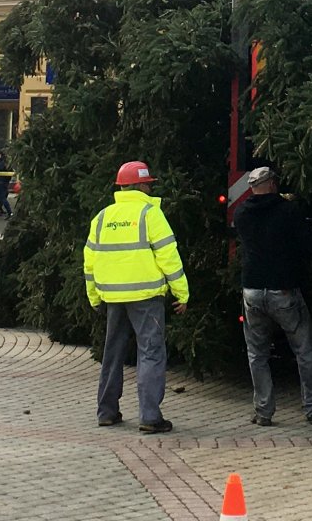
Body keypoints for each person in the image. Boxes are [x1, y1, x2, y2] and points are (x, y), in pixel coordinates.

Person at [83, 159, 189, 434]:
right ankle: (150, 417)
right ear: (141, 185)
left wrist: (94, 296)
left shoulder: (103, 217)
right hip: (146, 296)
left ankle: (106, 412)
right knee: (151, 353)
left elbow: (90, 261)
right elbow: (168, 256)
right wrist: (182, 292)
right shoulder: (150, 214)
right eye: (148, 184)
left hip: (112, 297)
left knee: (112, 353)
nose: (151, 189)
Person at [233, 164, 312, 425]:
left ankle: (263, 411)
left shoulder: (241, 213)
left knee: (257, 353)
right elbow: (308, 244)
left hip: (252, 291)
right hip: (283, 291)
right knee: (305, 348)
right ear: (271, 184)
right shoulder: (287, 211)